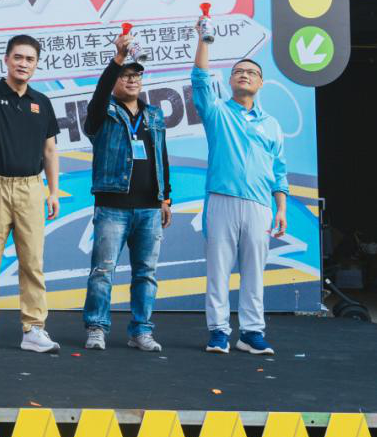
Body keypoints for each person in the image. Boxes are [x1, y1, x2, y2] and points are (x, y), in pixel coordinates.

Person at [0, 21, 61, 354]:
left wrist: (53, 191)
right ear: (6, 59)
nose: (23, 63)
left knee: (32, 261)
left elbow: (50, 150)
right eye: (18, 57)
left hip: (32, 189)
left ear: (36, 64)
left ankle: (33, 329)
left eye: (30, 59)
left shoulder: (41, 102)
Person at [192, 33, 288, 356]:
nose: (244, 75)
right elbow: (200, 79)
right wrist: (203, 40)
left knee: (254, 272)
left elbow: (279, 171)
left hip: (260, 205)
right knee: (218, 269)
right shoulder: (217, 112)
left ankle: (251, 333)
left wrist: (281, 208)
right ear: (231, 81)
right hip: (222, 200)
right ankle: (219, 331)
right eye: (238, 72)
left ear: (260, 83)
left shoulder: (272, 125)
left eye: (251, 72)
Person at [80, 33, 171, 353]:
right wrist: (117, 59)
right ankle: (96, 327)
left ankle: (141, 331)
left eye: (136, 75)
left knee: (146, 273)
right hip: (112, 206)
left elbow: (162, 156)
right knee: (103, 271)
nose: (132, 80)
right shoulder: (102, 112)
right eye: (125, 75)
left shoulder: (154, 114)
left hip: (149, 208)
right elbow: (99, 95)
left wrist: (166, 197)